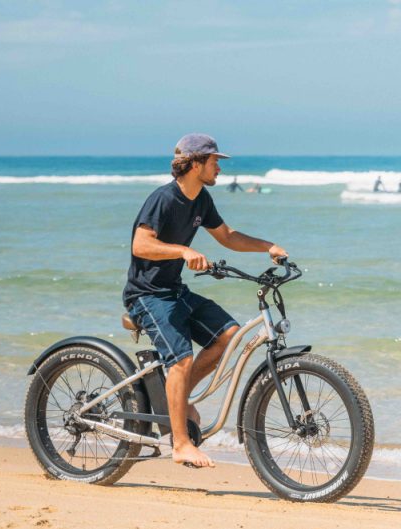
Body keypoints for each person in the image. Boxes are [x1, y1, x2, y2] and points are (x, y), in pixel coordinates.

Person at [123, 133, 287, 468]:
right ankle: (180, 444)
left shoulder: (201, 200)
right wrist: (183, 250)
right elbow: (140, 245)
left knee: (228, 336)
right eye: (214, 162)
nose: (219, 170)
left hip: (174, 290)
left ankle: (178, 400)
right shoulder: (164, 199)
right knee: (181, 361)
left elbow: (227, 237)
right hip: (147, 294)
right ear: (196, 163)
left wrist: (268, 246)